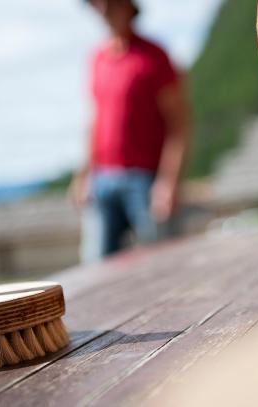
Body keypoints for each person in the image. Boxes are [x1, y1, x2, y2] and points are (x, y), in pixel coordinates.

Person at [69, 0, 191, 261]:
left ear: (127, 7)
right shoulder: (98, 59)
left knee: (160, 261)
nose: (103, 11)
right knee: (96, 265)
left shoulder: (154, 56)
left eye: (110, 4)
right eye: (97, 5)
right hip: (102, 179)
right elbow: (94, 121)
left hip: (145, 180)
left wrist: (168, 183)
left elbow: (178, 125)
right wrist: (82, 175)